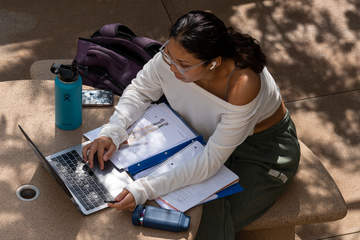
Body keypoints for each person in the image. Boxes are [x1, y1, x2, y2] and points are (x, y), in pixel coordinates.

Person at [82, 10, 300, 240]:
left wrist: (144, 189)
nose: (171, 67)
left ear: (214, 64)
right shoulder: (173, 57)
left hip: (260, 152)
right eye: (168, 54)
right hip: (198, 136)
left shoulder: (242, 84)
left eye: (183, 64)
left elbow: (210, 162)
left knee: (204, 224)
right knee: (176, 207)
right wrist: (113, 131)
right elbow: (140, 90)